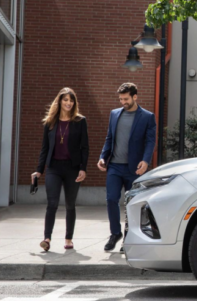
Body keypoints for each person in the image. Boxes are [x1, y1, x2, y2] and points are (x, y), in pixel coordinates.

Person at [98, 83, 156, 252]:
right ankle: (115, 233)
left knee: (132, 204)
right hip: (115, 166)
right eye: (121, 99)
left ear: (134, 97)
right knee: (111, 199)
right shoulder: (115, 114)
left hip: (134, 169)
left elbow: (150, 141)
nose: (123, 101)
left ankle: (129, 236)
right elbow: (110, 138)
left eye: (126, 99)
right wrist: (103, 157)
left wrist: (146, 161)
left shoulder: (147, 117)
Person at [32, 88, 89, 252]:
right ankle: (47, 239)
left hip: (72, 168)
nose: (68, 103)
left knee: (70, 205)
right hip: (53, 168)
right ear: (59, 101)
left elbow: (84, 147)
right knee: (52, 203)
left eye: (71, 100)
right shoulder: (50, 122)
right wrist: (39, 170)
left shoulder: (80, 121)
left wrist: (83, 169)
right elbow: (44, 148)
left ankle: (68, 238)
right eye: (65, 100)